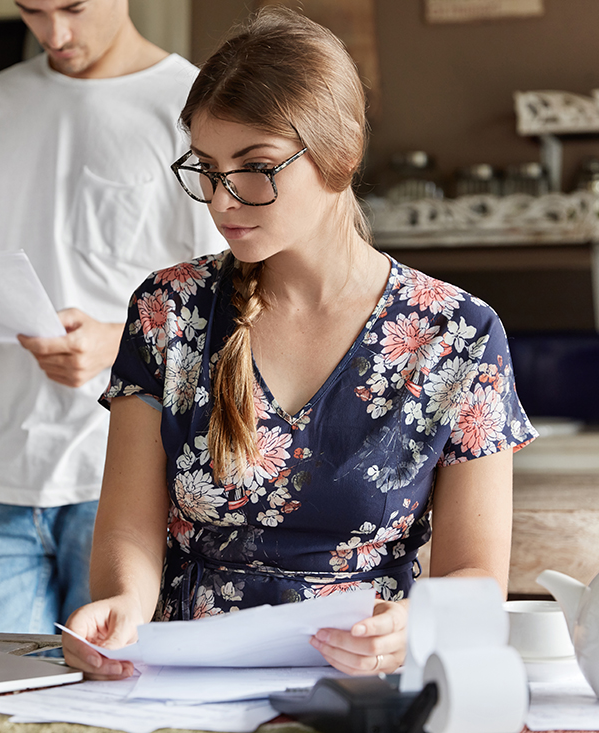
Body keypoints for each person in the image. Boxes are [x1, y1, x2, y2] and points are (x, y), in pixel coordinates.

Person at [61, 6, 538, 679]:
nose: (222, 200)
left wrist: (420, 624)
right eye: (205, 166)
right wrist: (120, 601)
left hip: (366, 689)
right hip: (182, 690)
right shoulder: (167, 311)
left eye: (254, 166)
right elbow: (129, 531)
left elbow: (475, 577)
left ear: (337, 155)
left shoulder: (458, 335)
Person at [0, 0, 224, 634]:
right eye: (33, 10)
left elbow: (233, 295)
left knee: (115, 708)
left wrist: (121, 342)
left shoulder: (192, 102)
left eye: (73, 9)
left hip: (127, 476)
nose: (55, 34)